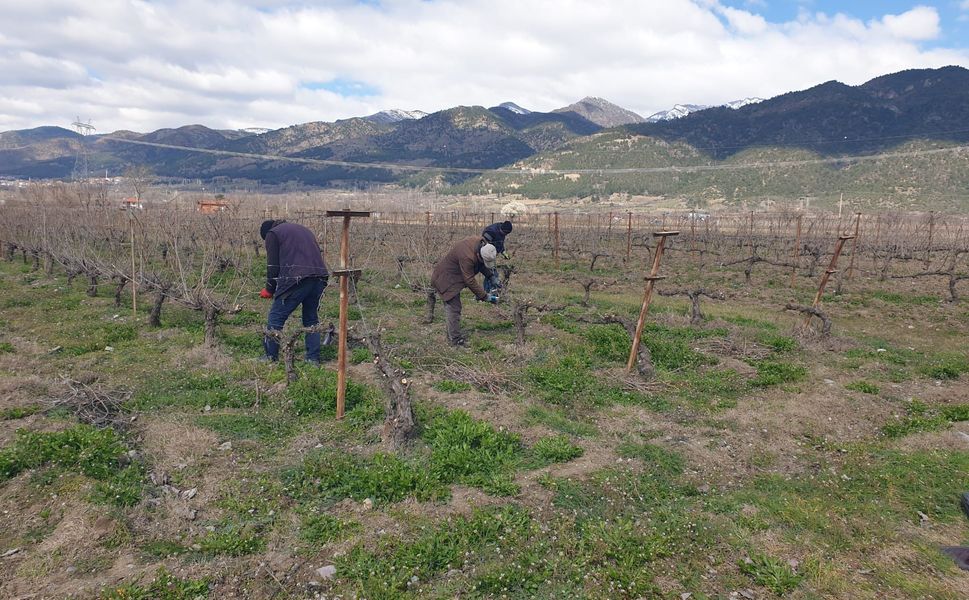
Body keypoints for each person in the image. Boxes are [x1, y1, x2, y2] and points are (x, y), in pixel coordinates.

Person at [258, 220, 329, 364]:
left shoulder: (273, 234)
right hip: (319, 277)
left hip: (296, 279)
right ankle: (312, 358)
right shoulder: (303, 229)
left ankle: (270, 356)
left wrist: (269, 289)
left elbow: (273, 266)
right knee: (311, 319)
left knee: (276, 318)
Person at [430, 237, 499, 346]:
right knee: (454, 308)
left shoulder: (482, 245)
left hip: (454, 276)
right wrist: (485, 296)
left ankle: (451, 335)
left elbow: (480, 264)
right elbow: (469, 280)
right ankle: (456, 341)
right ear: (479, 255)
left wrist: (491, 276)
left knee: (454, 308)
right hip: (446, 279)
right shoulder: (467, 256)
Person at [481, 220, 513, 292]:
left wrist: (503, 252)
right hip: (486, 254)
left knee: (491, 273)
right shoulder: (490, 231)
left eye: (507, 233)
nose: (506, 235)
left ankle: (489, 290)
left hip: (492, 254)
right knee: (491, 273)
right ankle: (487, 291)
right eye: (506, 233)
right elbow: (484, 244)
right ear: (502, 229)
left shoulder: (502, 232)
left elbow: (500, 243)